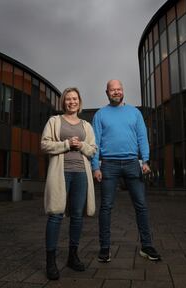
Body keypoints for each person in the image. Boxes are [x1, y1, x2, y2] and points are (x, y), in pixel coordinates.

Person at [92, 79, 161, 262]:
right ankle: (105, 248)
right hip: (108, 165)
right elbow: (95, 143)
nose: (116, 92)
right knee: (106, 207)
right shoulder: (100, 115)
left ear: (123, 91)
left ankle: (147, 246)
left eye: (119, 89)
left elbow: (142, 137)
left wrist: (145, 160)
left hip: (132, 163)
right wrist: (95, 166)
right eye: (112, 89)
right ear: (106, 92)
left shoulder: (134, 113)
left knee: (141, 206)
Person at [41, 87, 97, 280]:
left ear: (79, 102)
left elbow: (92, 150)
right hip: (60, 173)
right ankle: (51, 262)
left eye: (75, 99)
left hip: (81, 174)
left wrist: (81, 145)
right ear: (63, 102)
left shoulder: (86, 126)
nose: (71, 102)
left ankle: (73, 257)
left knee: (77, 217)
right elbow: (45, 144)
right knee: (56, 215)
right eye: (68, 99)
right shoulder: (54, 121)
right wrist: (66, 144)